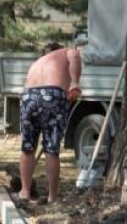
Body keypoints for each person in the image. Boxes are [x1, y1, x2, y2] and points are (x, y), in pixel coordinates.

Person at [19, 42, 82, 204]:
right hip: (52, 95)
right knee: (51, 149)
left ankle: (25, 192)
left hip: (28, 96)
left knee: (27, 147)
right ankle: (52, 197)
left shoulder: (39, 61)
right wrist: (74, 82)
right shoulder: (67, 52)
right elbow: (75, 56)